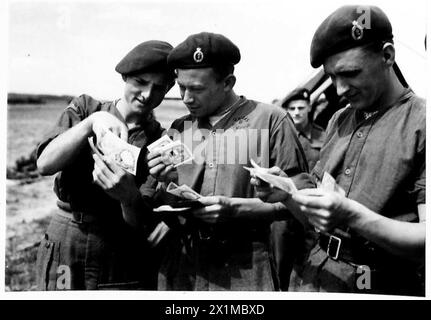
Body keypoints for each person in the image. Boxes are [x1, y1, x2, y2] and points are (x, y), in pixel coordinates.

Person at [253, 5, 425, 296]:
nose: (340, 88)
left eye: (350, 73)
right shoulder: (339, 119)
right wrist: (287, 196)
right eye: (331, 77)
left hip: (377, 284)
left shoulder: (422, 122)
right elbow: (319, 217)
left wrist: (352, 215)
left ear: (387, 56)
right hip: (313, 277)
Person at [147, 32, 312, 290]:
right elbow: (165, 205)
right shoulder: (181, 126)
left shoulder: (271, 121)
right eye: (181, 87)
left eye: (197, 89)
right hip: (184, 268)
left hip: (246, 269)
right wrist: (165, 183)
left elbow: (300, 203)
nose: (187, 98)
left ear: (228, 82)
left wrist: (235, 209)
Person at [35, 40, 174, 290]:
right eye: (140, 82)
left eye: (159, 88)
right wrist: (91, 123)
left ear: (168, 90)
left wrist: (129, 197)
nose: (147, 95)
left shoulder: (159, 142)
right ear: (125, 77)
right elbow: (45, 164)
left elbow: (138, 223)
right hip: (66, 237)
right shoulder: (87, 108)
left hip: (117, 247)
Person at [283, 87, 325, 170]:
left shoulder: (322, 134)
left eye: (301, 108)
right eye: (292, 109)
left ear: (309, 107)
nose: (297, 113)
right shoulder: (284, 138)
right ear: (287, 110)